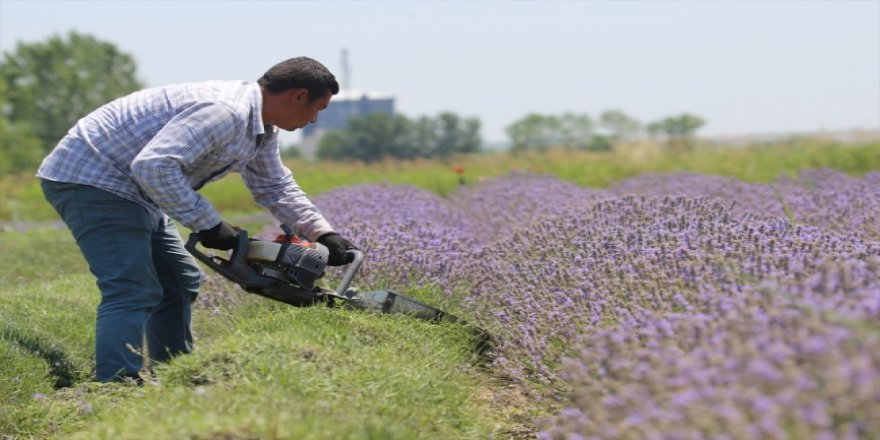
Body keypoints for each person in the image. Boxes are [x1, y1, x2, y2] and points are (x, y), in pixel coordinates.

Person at [36, 57, 358, 383]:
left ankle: (176, 375)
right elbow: (153, 166)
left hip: (134, 189)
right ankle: (116, 385)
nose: (315, 120)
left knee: (179, 280)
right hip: (93, 177)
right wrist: (209, 224)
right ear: (298, 95)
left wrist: (323, 234)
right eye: (318, 108)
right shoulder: (225, 112)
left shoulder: (261, 128)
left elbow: (274, 186)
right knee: (131, 286)